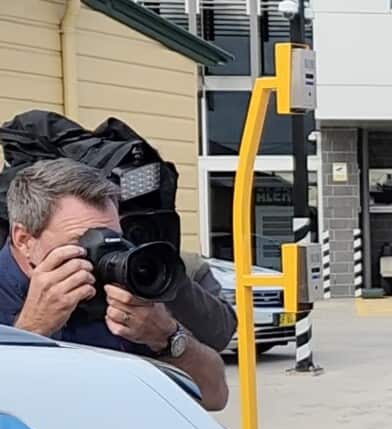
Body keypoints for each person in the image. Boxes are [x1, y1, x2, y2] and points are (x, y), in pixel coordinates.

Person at [0, 158, 228, 411]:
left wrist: (166, 336)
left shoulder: (124, 282)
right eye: (82, 242)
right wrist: (32, 329)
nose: (100, 254)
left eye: (112, 239)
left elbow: (215, 395)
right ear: (24, 240)